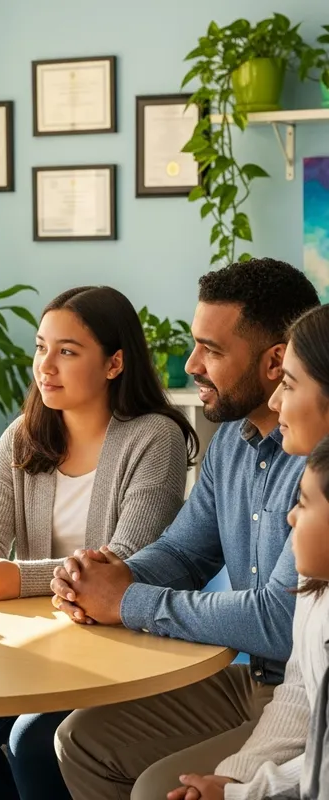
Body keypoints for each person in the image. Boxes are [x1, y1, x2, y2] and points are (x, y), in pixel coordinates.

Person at [45, 259, 320, 800]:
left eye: (212, 350)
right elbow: (184, 552)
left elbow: (278, 619)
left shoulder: (316, 466)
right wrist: (104, 578)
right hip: (254, 680)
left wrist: (126, 601)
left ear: (274, 363)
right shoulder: (231, 445)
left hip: (303, 693)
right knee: (77, 738)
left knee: (153, 788)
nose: (192, 364)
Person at [0, 285, 198, 800]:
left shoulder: (155, 437)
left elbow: (127, 562)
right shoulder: (23, 434)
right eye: (41, 347)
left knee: (30, 737)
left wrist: (19, 578)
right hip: (39, 644)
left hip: (122, 645)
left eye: (67, 351)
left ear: (114, 363)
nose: (46, 366)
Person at [168, 304, 329, 800]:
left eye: (292, 383)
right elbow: (303, 689)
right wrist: (240, 779)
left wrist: (243, 791)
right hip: (265, 692)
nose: (277, 401)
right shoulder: (236, 448)